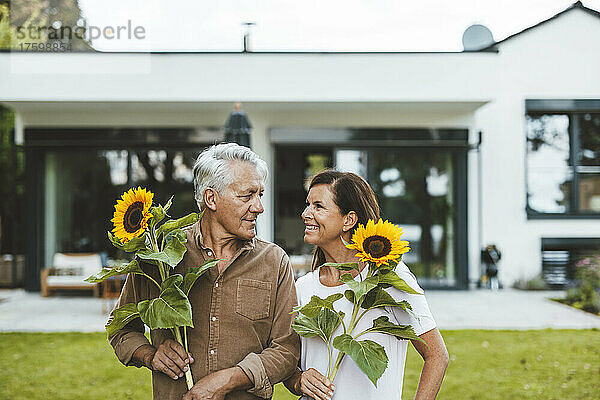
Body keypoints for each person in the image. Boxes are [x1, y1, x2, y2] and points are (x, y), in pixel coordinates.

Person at [108, 143, 300, 400]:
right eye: (247, 196)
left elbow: (287, 350)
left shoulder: (274, 262)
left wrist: (228, 380)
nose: (258, 207)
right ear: (211, 199)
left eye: (260, 195)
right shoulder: (161, 258)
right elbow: (120, 328)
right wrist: (151, 355)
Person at [284, 170, 449, 400]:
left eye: (318, 206)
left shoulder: (388, 277)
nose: (305, 213)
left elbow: (437, 356)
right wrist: (298, 380)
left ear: (348, 220)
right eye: (308, 205)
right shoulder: (302, 288)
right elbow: (287, 363)